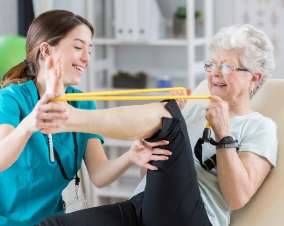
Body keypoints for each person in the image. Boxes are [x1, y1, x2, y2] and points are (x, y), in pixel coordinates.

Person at [37, 24, 278, 226]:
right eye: (212, 65)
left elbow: (237, 198)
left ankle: (68, 117)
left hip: (192, 217)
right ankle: (68, 116)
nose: (215, 73)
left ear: (254, 78)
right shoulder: (193, 110)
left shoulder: (259, 127)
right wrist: (147, 147)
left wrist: (223, 133)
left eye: (226, 66)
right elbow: (149, 174)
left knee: (168, 120)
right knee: (53, 224)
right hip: (144, 207)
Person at [0, 10, 172, 226]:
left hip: (52, 222)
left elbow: (99, 175)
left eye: (89, 50)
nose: (86, 59)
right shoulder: (12, 98)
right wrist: (29, 125)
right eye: (78, 47)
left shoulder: (83, 103)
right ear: (46, 50)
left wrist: (131, 156)